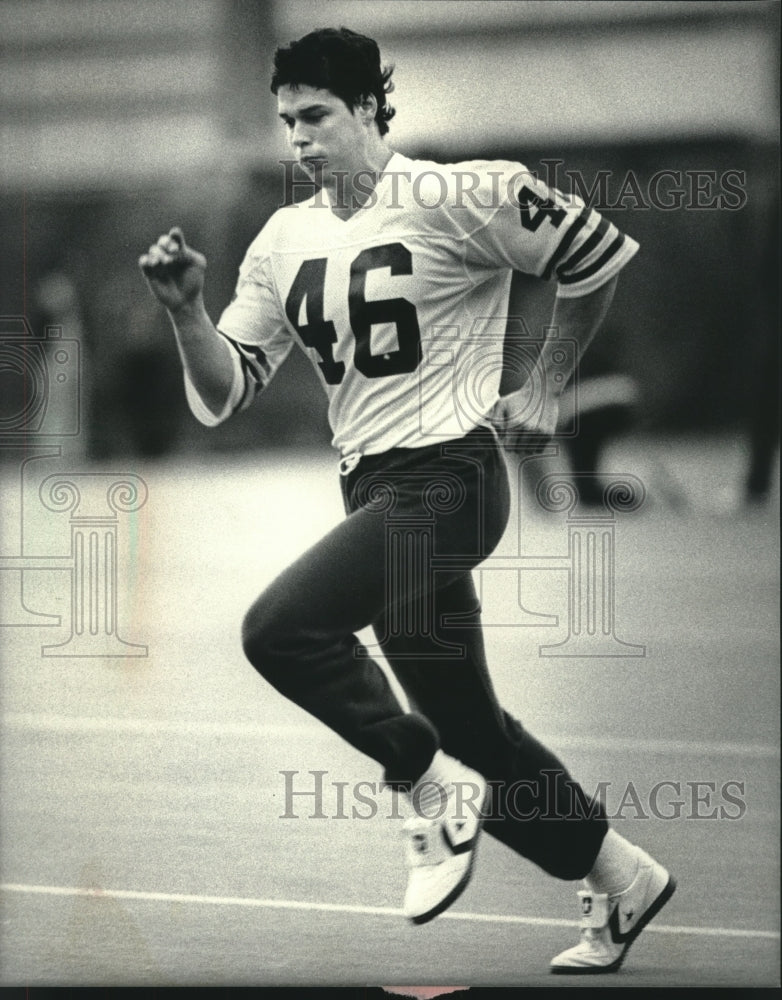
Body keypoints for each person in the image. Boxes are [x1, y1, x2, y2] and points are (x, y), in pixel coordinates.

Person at [139, 27, 675, 975]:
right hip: (375, 497)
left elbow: (597, 255)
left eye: (317, 117)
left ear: (373, 111)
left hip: (454, 480)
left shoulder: (459, 193)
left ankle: (425, 790)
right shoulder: (281, 239)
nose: (297, 139)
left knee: (281, 630)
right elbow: (226, 393)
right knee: (474, 733)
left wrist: (547, 381)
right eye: (286, 121)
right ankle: (622, 875)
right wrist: (187, 311)